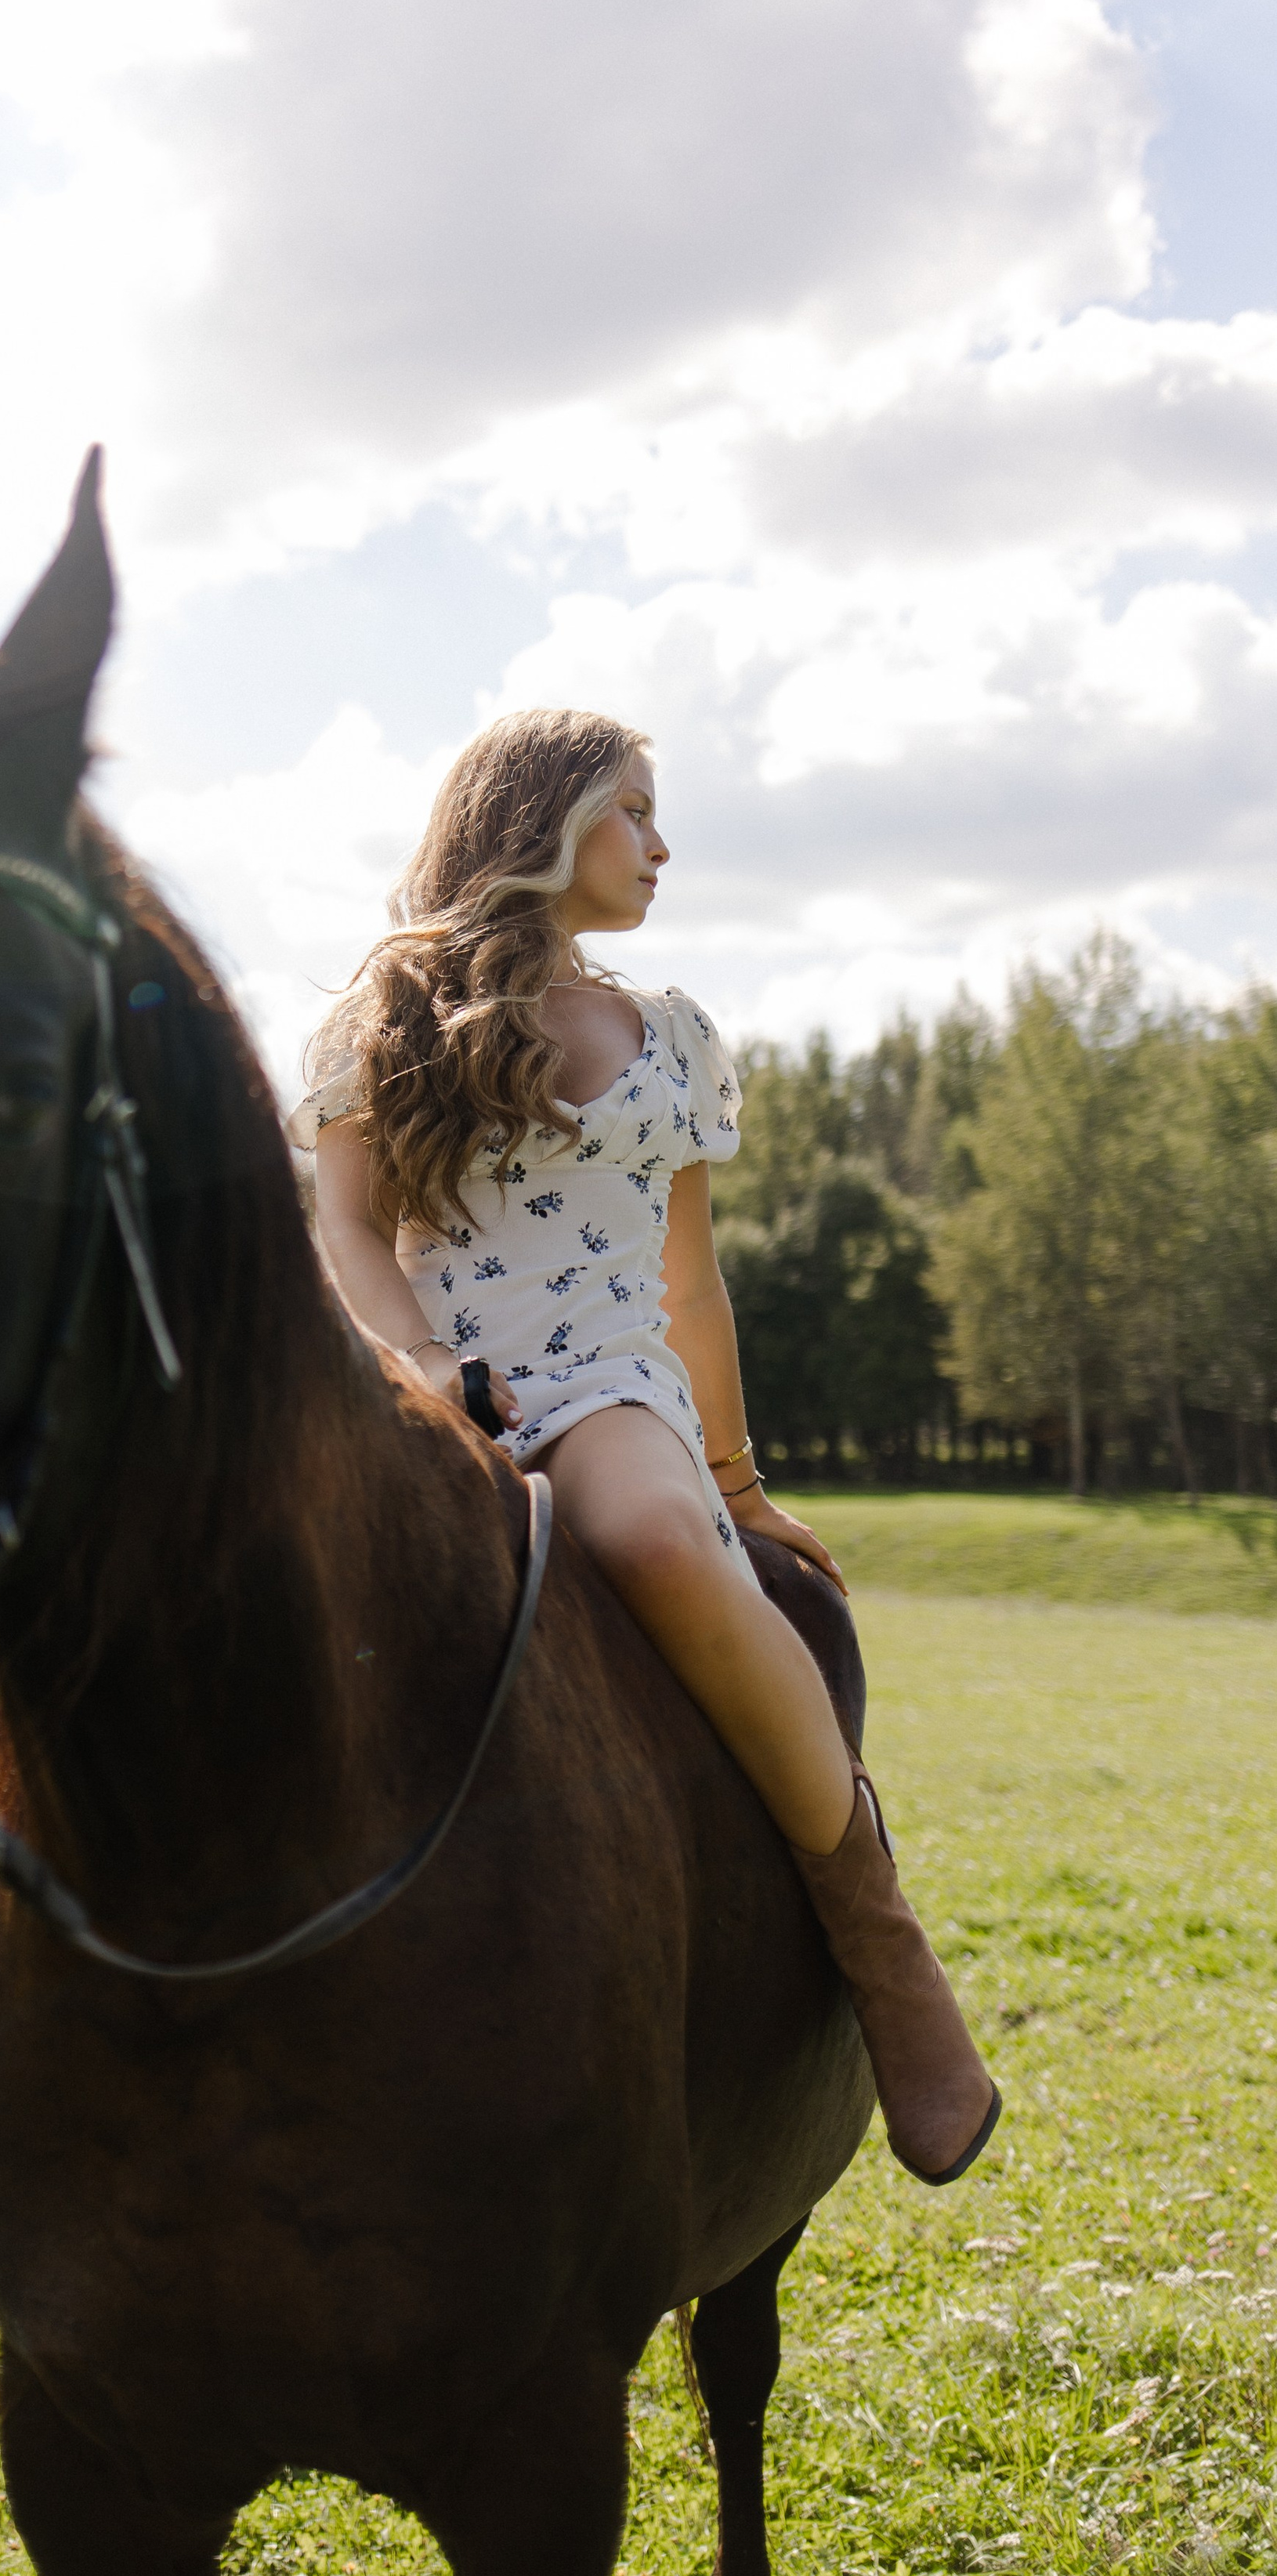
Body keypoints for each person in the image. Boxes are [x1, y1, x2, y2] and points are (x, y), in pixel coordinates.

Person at [293, 708, 998, 2186]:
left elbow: (691, 1287)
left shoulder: (671, 1036)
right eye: (637, 811)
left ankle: (886, 1957)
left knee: (667, 1543)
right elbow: (347, 1229)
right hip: (418, 1393)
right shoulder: (384, 1014)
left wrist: (735, 1480)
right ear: (547, 820)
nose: (663, 846)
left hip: (607, 1387)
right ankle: (80, 1995)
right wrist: (418, 1365)